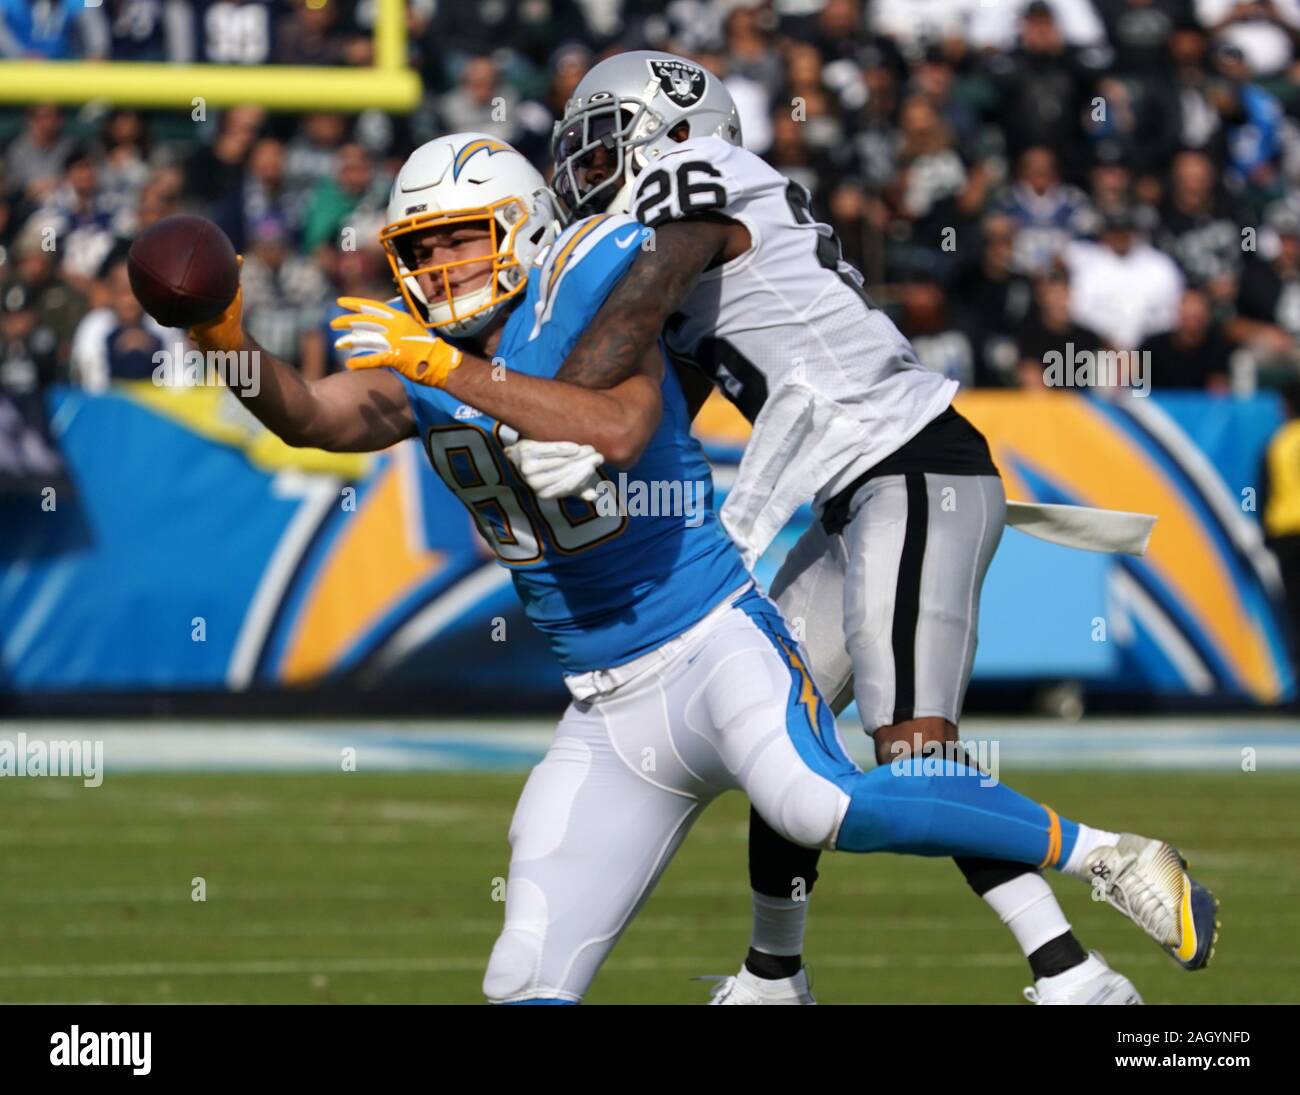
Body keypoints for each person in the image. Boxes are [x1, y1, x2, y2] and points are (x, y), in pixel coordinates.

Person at [182, 133, 1217, 1004]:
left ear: (524, 229)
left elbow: (618, 425)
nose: (443, 267)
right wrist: (221, 335)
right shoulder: (420, 365)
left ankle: (1104, 852)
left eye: (463, 238)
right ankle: (777, 980)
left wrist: (450, 367)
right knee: (521, 976)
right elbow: (310, 415)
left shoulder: (587, 297)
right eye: (423, 248)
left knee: (821, 805)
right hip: (603, 706)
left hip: (712, 644)